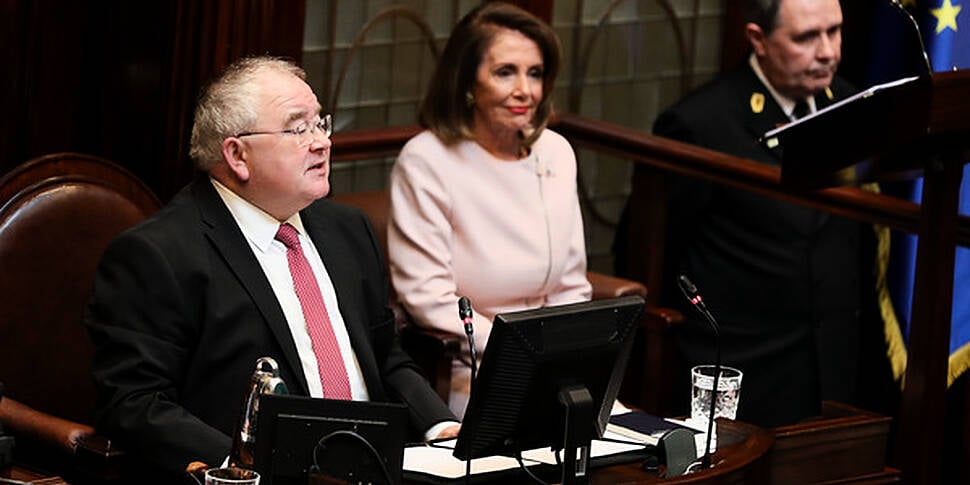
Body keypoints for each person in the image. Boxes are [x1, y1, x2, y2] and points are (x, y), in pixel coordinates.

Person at [84, 56, 458, 481]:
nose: (322, 143)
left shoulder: (347, 229)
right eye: (298, 129)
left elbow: (385, 354)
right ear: (237, 155)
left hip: (376, 466)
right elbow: (135, 403)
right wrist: (245, 464)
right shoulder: (158, 254)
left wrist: (441, 427)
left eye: (320, 124)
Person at [615, 0, 886, 428]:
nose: (828, 52)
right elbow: (648, 249)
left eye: (834, 31)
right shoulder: (701, 123)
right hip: (744, 370)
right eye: (806, 37)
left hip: (834, 371)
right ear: (758, 39)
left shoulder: (854, 105)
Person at [387, 2, 592, 417]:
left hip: (558, 366)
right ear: (467, 81)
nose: (525, 90)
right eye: (505, 72)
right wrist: (523, 350)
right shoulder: (426, 160)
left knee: (636, 443)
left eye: (535, 73)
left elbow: (571, 285)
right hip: (474, 369)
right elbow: (428, 299)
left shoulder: (555, 151)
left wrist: (569, 354)